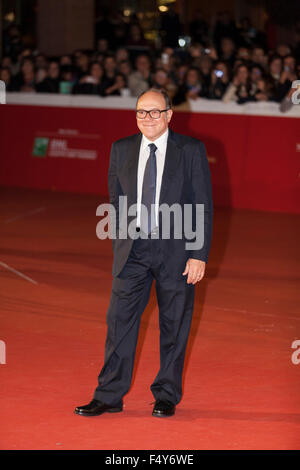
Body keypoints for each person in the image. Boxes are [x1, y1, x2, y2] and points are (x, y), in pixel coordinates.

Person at [74, 88, 213, 418]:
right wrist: (121, 242)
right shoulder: (121, 149)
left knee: (173, 325)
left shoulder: (190, 150)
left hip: (177, 252)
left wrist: (199, 254)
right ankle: (109, 394)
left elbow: (202, 206)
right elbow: (116, 200)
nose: (147, 118)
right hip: (133, 252)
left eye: (154, 112)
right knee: (119, 322)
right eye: (140, 112)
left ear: (168, 115)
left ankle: (166, 394)